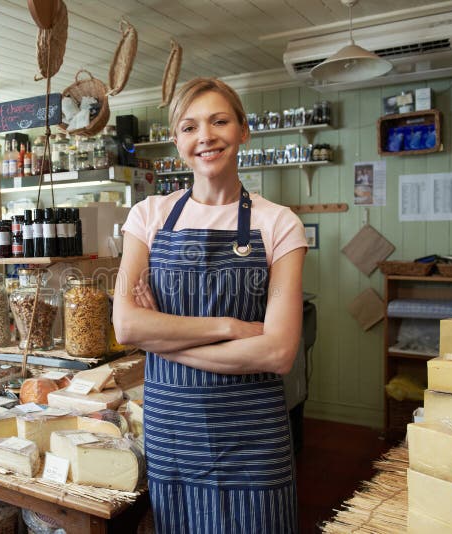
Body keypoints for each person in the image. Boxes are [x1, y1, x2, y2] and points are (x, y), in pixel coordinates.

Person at [113, 77, 307, 533]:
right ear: (177, 140)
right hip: (174, 437)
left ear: (244, 130)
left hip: (253, 439)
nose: (206, 136)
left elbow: (277, 353)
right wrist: (229, 326)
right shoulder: (148, 217)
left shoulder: (278, 224)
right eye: (189, 126)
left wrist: (160, 341)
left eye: (219, 121)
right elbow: (126, 325)